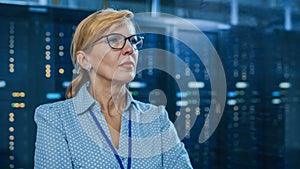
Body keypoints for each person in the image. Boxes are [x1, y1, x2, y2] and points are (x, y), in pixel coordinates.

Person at [34, 8, 193, 169]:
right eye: (114, 40)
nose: (129, 49)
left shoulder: (157, 119)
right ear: (84, 60)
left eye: (132, 40)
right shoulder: (55, 119)